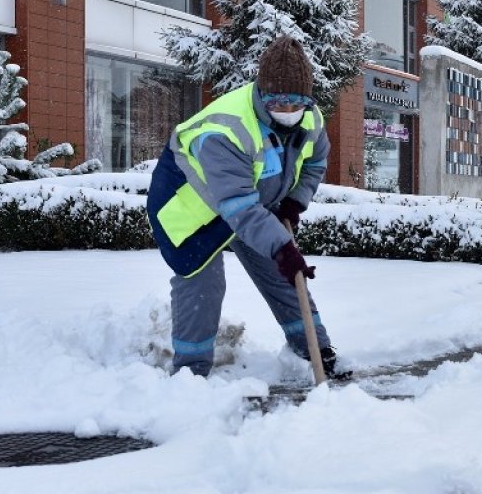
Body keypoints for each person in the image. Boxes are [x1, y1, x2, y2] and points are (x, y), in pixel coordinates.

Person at [146, 37, 347, 379]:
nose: (288, 111)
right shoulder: (226, 129)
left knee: (283, 273)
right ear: (262, 94)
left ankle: (314, 350)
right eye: (278, 103)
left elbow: (315, 164)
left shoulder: (310, 120)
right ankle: (191, 375)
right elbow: (237, 205)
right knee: (203, 286)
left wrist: (293, 204)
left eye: (296, 103)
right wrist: (282, 246)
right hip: (191, 209)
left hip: (252, 201)